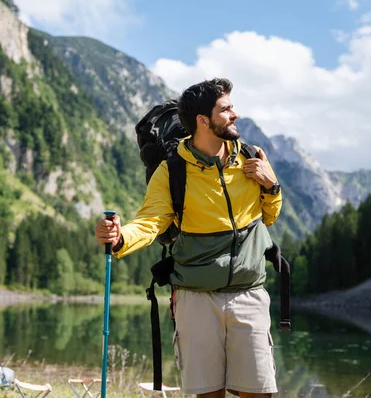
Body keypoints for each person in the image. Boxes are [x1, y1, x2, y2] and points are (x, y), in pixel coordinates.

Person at [94, 78, 282, 398]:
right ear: (203, 121)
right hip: (196, 299)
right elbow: (151, 221)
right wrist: (119, 237)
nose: (235, 114)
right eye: (226, 109)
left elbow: (269, 216)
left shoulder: (252, 157)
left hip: (249, 294)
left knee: (259, 393)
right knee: (209, 394)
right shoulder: (172, 171)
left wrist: (272, 187)